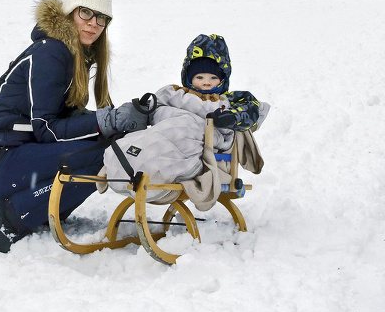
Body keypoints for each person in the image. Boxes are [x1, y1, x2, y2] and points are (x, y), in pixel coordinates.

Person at [0, 0, 149, 252]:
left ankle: (44, 208)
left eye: (102, 17)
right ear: (70, 11)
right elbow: (47, 130)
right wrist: (107, 121)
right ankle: (9, 219)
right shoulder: (52, 52)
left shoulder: (75, 54)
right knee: (104, 153)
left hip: (17, 157)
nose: (93, 23)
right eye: (86, 13)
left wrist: (115, 121)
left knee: (108, 144)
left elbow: (66, 122)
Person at [103, 34, 269, 205]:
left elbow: (253, 109)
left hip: (201, 149)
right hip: (165, 137)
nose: (206, 83)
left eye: (213, 78)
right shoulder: (176, 95)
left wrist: (231, 117)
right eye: (200, 77)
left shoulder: (229, 101)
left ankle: (149, 170)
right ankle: (126, 161)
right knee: (153, 139)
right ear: (189, 78)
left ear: (223, 79)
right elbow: (157, 111)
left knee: (182, 132)